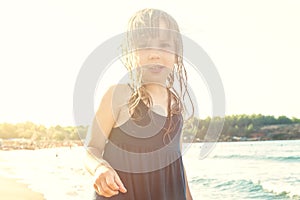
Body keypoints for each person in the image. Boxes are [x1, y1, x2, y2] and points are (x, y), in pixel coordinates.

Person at [85, 8, 194, 200]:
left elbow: (177, 162)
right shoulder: (118, 95)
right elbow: (91, 149)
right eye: (144, 45)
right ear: (130, 52)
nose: (154, 54)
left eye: (164, 45)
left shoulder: (176, 106)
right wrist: (100, 168)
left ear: (176, 54)